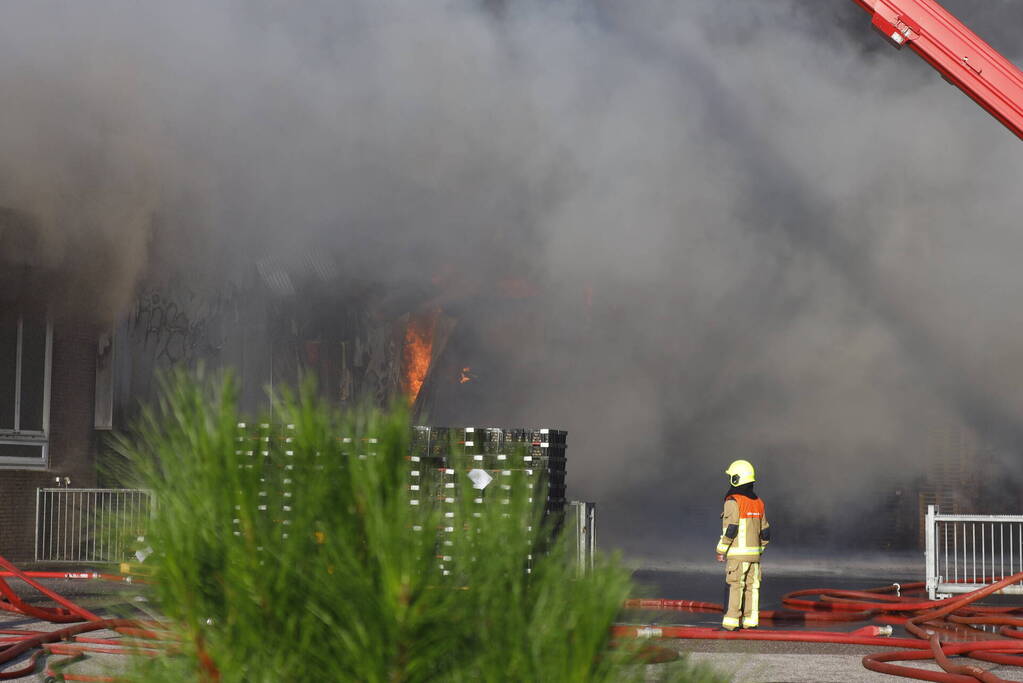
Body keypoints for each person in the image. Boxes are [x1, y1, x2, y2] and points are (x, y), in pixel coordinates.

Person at [715, 459, 770, 630]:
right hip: (755, 557)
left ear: (736, 479)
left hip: (738, 556)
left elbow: (730, 529)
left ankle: (731, 623)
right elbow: (766, 532)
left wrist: (721, 550)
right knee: (752, 588)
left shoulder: (733, 501)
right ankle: (751, 621)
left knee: (735, 586)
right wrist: (759, 551)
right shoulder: (759, 502)